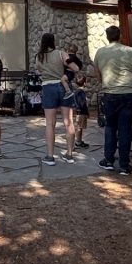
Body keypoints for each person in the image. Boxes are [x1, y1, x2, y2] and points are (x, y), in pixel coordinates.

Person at [93, 25, 132, 176]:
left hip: (110, 93)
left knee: (110, 126)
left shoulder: (100, 52)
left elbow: (97, 73)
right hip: (129, 92)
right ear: (120, 35)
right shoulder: (130, 51)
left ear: (107, 37)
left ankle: (108, 160)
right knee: (124, 128)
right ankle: (124, 165)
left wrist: (105, 83)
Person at [36, 33, 79, 166]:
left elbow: (39, 71)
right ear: (53, 41)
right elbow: (75, 68)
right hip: (63, 86)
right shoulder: (61, 54)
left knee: (50, 123)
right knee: (68, 121)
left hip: (48, 88)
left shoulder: (39, 57)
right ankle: (69, 154)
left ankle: (50, 156)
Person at [73, 74, 91, 149]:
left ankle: (79, 141)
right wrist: (86, 112)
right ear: (84, 83)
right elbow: (82, 103)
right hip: (81, 112)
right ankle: (78, 142)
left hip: (78, 112)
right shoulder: (81, 92)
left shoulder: (76, 92)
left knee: (80, 127)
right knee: (80, 127)